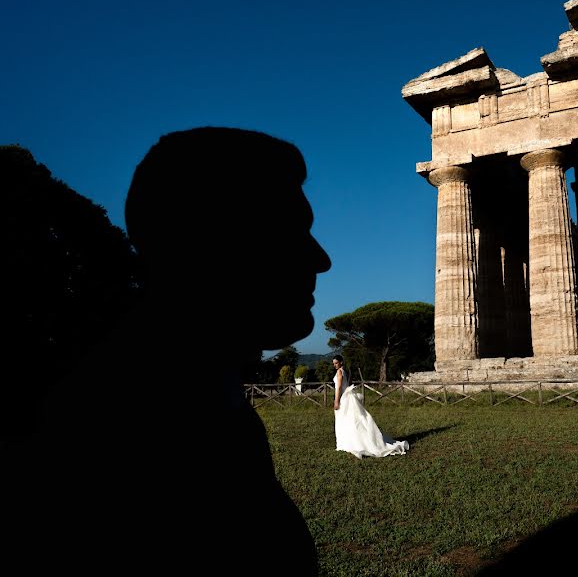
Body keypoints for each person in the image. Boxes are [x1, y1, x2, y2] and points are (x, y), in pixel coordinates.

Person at [3, 127, 328, 573]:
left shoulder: (203, 398)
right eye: (292, 231)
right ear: (212, 243)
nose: (321, 258)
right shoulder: (110, 435)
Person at [332, 355, 409, 459]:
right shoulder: (346, 371)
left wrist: (336, 401)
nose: (335, 365)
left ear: (341, 362)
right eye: (333, 364)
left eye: (336, 363)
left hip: (343, 398)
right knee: (353, 420)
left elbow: (339, 387)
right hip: (348, 397)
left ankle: (353, 442)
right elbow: (349, 384)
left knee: (348, 420)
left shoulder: (339, 372)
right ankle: (354, 441)